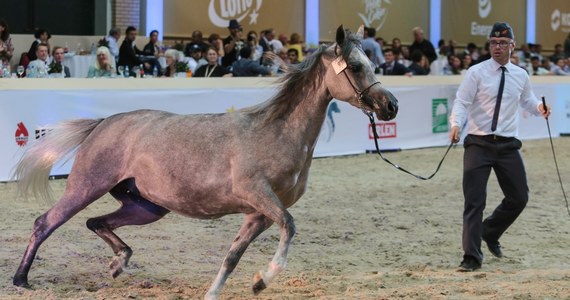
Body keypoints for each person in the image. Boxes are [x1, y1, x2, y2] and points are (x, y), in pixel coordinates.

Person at [448, 22, 550, 272]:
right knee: (474, 201)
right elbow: (462, 102)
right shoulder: (476, 72)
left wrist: (539, 109)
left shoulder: (521, 75)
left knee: (519, 197)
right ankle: (471, 257)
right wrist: (455, 124)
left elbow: (527, 100)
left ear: (512, 46)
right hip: (478, 143)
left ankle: (489, 232)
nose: (497, 47)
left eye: (503, 43)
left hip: (507, 146)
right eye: (493, 43)